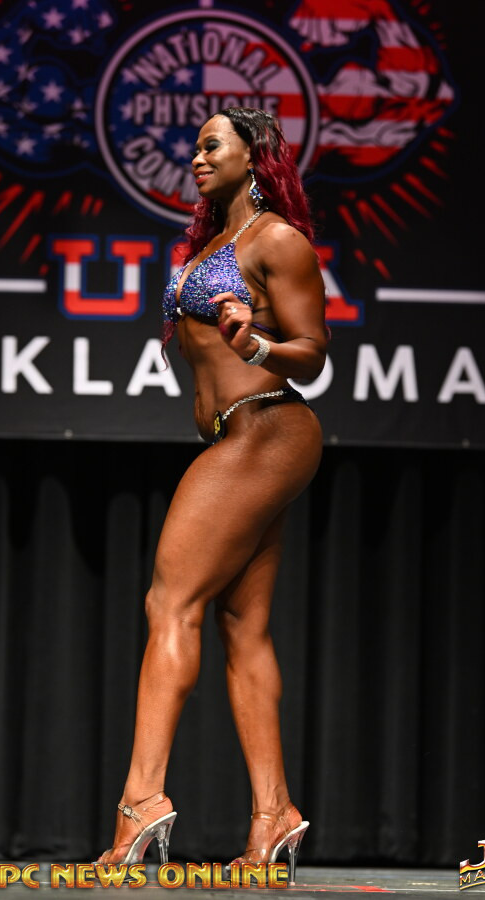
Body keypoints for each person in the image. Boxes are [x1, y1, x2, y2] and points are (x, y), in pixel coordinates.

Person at [96, 107, 328, 883]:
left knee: (171, 603)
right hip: (241, 434)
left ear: (254, 157)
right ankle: (274, 814)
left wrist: (255, 342)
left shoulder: (277, 241)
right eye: (194, 147)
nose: (196, 157)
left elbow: (313, 351)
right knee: (242, 627)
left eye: (211, 145)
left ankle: (141, 800)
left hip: (266, 427)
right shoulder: (211, 244)